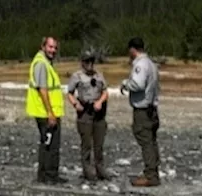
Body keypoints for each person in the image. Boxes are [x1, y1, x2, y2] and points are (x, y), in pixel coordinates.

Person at [120, 36, 161, 187]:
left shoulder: (140, 65)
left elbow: (138, 84)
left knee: (145, 141)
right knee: (151, 140)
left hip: (143, 109)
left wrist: (125, 84)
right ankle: (153, 170)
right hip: (152, 108)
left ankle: (150, 175)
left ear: (132, 49)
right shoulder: (151, 64)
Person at [65, 51, 111, 181]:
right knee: (86, 143)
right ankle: (87, 170)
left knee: (99, 143)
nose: (90, 64)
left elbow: (105, 92)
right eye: (87, 61)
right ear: (82, 62)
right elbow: (69, 93)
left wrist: (100, 101)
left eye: (92, 61)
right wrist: (75, 104)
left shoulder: (99, 75)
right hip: (85, 111)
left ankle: (100, 168)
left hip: (99, 113)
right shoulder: (77, 76)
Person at [26, 36, 65, 184]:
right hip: (46, 113)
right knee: (51, 146)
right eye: (50, 47)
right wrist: (50, 113)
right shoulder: (41, 64)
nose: (53, 50)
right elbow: (43, 90)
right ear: (43, 47)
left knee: (46, 143)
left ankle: (43, 176)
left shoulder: (44, 62)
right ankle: (50, 176)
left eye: (55, 47)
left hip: (44, 111)